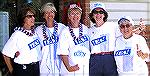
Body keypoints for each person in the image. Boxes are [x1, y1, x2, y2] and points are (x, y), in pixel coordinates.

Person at [1, 5, 42, 76]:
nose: (33, 18)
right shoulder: (17, 34)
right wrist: (13, 72)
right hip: (23, 69)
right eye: (29, 16)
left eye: (33, 16)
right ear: (23, 19)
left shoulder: (34, 32)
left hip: (35, 67)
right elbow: (5, 54)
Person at [57, 3, 90, 76]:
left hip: (84, 69)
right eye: (72, 13)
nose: (75, 16)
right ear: (68, 16)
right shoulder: (64, 32)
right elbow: (63, 52)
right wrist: (68, 67)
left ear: (80, 15)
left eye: (77, 13)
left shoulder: (86, 29)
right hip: (70, 70)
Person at [35, 2, 66, 76]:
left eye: (52, 12)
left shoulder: (62, 28)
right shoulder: (38, 30)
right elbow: (30, 42)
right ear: (43, 15)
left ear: (54, 14)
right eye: (46, 12)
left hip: (60, 65)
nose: (49, 15)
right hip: (45, 67)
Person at [88, 2, 119, 76]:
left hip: (109, 58)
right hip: (95, 59)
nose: (98, 15)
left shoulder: (112, 26)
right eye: (95, 12)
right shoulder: (89, 31)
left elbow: (126, 33)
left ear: (104, 14)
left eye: (101, 12)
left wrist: (139, 29)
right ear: (92, 15)